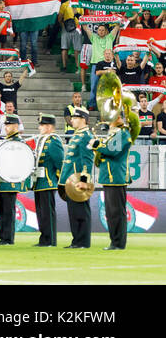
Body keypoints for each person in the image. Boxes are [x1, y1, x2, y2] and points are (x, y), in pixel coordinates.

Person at [94, 107, 133, 250]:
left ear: (118, 118)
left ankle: (118, 242)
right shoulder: (115, 133)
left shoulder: (123, 133)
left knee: (117, 211)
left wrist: (98, 146)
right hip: (109, 177)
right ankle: (114, 241)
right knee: (111, 212)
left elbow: (113, 151)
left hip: (116, 177)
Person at [59, 107, 95, 248]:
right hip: (71, 180)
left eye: (75, 118)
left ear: (83, 120)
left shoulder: (86, 136)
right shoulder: (77, 134)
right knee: (74, 213)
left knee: (81, 212)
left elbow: (87, 160)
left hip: (78, 180)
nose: (71, 120)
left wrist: (84, 181)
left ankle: (83, 241)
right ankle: (76, 240)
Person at [0, 114, 27, 245]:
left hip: (10, 181)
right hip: (1, 181)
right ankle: (3, 237)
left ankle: (8, 238)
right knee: (1, 210)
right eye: (5, 125)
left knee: (8, 210)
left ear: (16, 126)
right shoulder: (5, 141)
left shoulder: (18, 142)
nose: (6, 127)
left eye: (9, 124)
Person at [31, 114, 65, 247]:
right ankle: (44, 238)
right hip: (39, 182)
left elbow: (60, 162)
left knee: (47, 213)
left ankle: (50, 239)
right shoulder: (43, 140)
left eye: (42, 125)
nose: (39, 128)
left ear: (49, 126)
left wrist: (59, 180)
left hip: (48, 181)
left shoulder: (53, 140)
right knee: (41, 213)